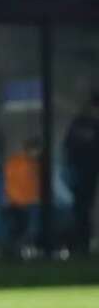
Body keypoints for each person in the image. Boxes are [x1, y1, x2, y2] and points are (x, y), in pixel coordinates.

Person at [64, 94, 99, 256]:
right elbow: (69, 147)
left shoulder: (81, 124)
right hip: (83, 172)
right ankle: (82, 243)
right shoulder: (83, 124)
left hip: (84, 171)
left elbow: (68, 146)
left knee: (83, 208)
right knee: (82, 208)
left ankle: (83, 243)